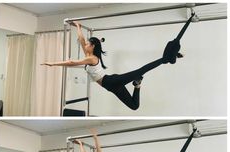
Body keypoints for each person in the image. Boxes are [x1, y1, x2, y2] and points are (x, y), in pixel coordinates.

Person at [41, 21, 184, 110]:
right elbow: (81, 38)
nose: (84, 45)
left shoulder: (92, 59)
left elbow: (72, 62)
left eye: (87, 45)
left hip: (111, 81)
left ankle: (165, 58)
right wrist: (78, 26)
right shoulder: (89, 55)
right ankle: (137, 85)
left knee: (141, 70)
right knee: (134, 106)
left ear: (93, 46)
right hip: (111, 86)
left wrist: (53, 63)